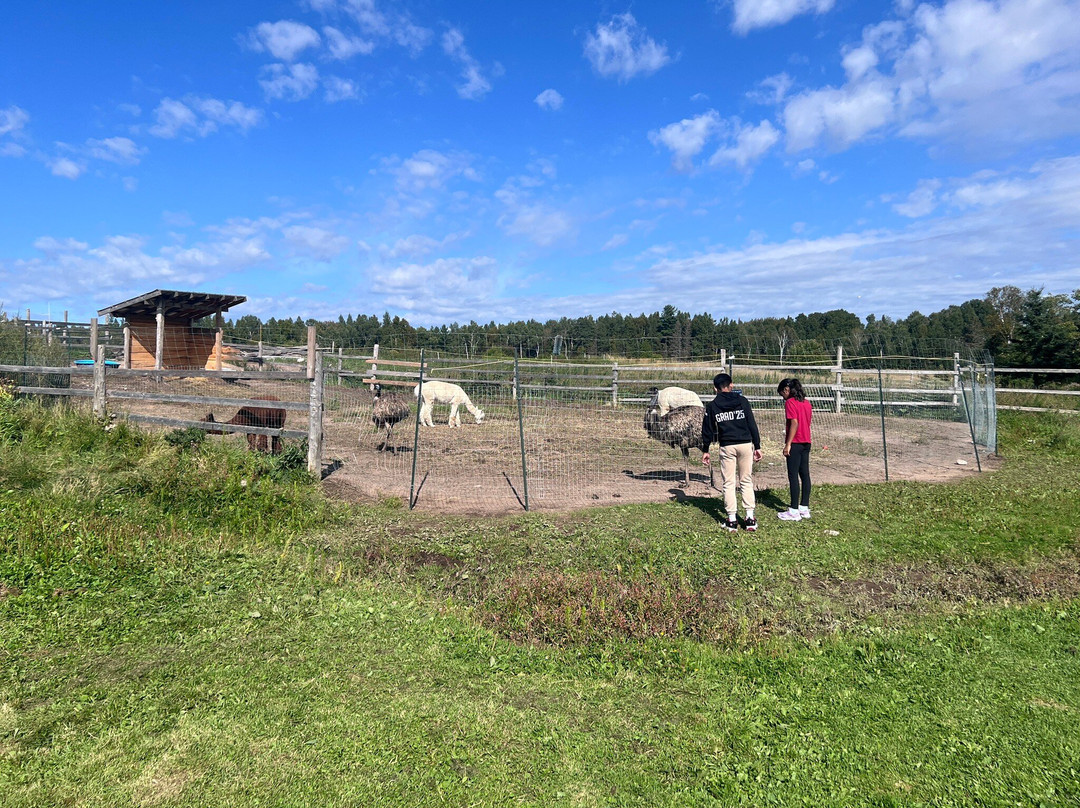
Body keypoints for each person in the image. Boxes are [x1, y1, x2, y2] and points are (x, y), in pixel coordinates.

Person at [700, 373, 763, 532]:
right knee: (746, 480)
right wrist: (757, 445)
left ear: (715, 388)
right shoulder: (742, 401)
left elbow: (707, 429)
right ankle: (750, 518)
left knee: (728, 483)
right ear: (731, 385)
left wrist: (705, 449)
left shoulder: (712, 406)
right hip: (745, 444)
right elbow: (751, 423)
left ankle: (732, 520)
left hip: (727, 446)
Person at [777, 378, 812, 521]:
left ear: (786, 390)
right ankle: (804, 507)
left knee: (793, 476)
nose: (782, 397)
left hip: (796, 442)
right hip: (806, 441)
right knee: (805, 474)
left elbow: (794, 423)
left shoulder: (790, 403)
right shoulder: (807, 403)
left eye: (782, 394)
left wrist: (788, 444)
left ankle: (793, 510)